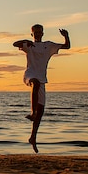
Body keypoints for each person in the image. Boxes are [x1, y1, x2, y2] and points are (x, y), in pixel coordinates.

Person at [13, 24, 70, 153]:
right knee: (35, 84)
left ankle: (33, 137)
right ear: (32, 34)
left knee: (42, 110)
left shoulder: (48, 46)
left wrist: (66, 36)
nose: (38, 34)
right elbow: (14, 44)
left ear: (43, 33)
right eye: (35, 32)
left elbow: (67, 46)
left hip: (42, 79)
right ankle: (33, 112)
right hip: (30, 75)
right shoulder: (29, 46)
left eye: (40, 32)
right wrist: (24, 41)